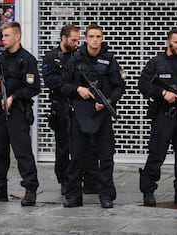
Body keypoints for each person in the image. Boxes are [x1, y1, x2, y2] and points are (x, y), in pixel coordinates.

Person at [60, 24, 125, 208]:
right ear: (86, 39)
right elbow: (63, 85)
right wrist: (78, 89)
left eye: (98, 36)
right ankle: (73, 196)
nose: (95, 40)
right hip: (80, 113)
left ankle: (106, 195)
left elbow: (119, 86)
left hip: (102, 113)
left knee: (105, 157)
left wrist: (109, 101)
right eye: (92, 36)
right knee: (77, 156)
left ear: (102, 38)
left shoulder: (109, 60)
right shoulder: (75, 60)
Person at [138, 28, 177, 207]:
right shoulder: (156, 63)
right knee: (156, 155)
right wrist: (162, 92)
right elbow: (142, 84)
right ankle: (148, 190)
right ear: (168, 42)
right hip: (163, 116)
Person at [0, 21, 40, 206]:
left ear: (17, 36)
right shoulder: (2, 58)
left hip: (17, 113)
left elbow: (34, 87)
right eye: (2, 35)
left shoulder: (27, 59)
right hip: (0, 112)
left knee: (22, 153)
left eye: (6, 36)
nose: (3, 39)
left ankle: (30, 189)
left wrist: (14, 97)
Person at [42, 24, 100, 196]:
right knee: (63, 147)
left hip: (81, 107)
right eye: (73, 40)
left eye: (77, 40)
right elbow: (51, 82)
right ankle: (65, 181)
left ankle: (90, 181)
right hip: (61, 107)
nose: (76, 43)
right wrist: (74, 88)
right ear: (63, 38)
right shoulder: (51, 57)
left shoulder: (80, 56)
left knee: (88, 145)